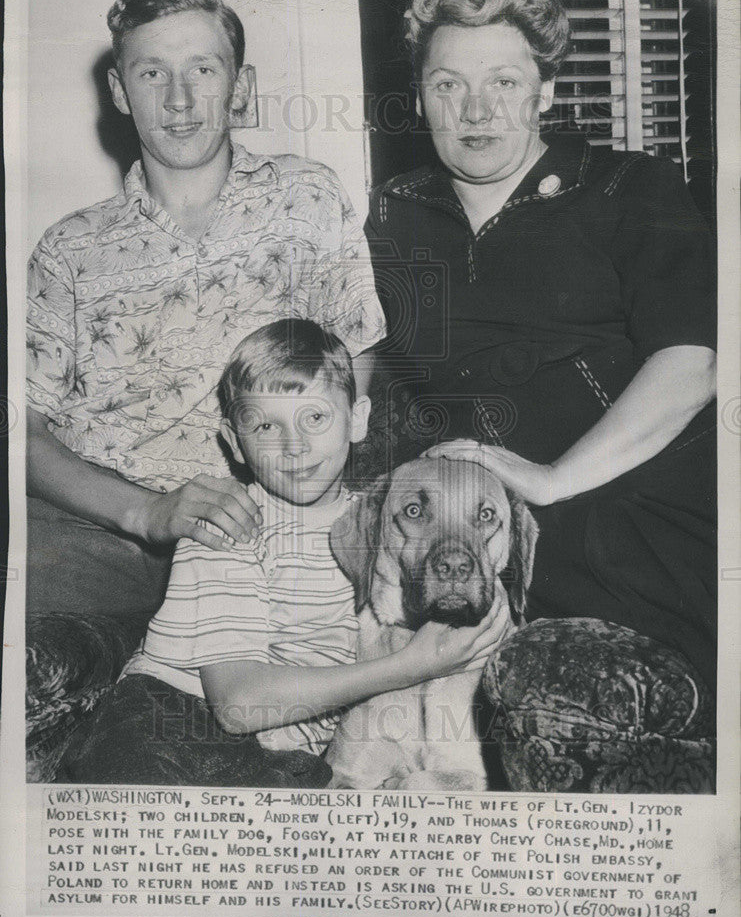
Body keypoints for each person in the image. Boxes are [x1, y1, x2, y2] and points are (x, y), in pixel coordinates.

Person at [365, 0, 717, 690]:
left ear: (545, 91)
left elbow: (692, 363)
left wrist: (553, 481)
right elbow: (355, 368)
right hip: (468, 536)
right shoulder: (395, 214)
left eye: (503, 82)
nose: (475, 109)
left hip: (622, 518)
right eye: (446, 85)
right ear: (420, 98)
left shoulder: (627, 185)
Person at [26, 0, 385, 616]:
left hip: (263, 523)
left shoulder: (307, 199)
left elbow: (352, 362)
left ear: (240, 87)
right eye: (152, 73)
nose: (180, 100)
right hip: (99, 535)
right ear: (118, 92)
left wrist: (294, 495)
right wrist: (145, 512)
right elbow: (21, 434)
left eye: (203, 69)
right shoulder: (67, 250)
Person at [57, 319, 507, 785]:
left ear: (357, 418)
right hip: (171, 718)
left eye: (315, 418)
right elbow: (237, 704)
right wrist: (406, 668)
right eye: (268, 425)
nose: (295, 447)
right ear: (234, 442)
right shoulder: (228, 519)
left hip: (287, 753)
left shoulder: (382, 522)